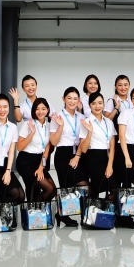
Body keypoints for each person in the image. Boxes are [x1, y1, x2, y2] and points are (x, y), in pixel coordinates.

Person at [50, 87, 88, 221]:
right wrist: (60, 126)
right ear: (63, 99)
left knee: (83, 185)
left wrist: (77, 156)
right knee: (66, 187)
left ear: (79, 100)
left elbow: (83, 139)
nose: (72, 101)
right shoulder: (57, 116)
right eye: (69, 98)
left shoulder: (82, 117)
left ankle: (84, 215)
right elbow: (54, 142)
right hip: (63, 153)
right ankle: (63, 215)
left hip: (78, 152)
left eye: (75, 98)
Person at [16, 97, 57, 201]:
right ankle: (33, 206)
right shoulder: (28, 124)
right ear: (34, 110)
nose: (40, 111)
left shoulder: (49, 126)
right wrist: (32, 133)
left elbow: (47, 149)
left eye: (43, 109)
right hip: (26, 160)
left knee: (53, 190)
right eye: (37, 109)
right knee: (38, 188)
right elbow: (19, 147)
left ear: (47, 110)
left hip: (40, 160)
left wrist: (41, 168)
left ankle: (35, 207)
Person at [79, 93, 117, 192]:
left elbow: (112, 146)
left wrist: (110, 165)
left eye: (100, 103)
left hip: (107, 157)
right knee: (96, 189)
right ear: (89, 105)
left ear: (103, 104)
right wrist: (90, 132)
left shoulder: (109, 122)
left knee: (113, 189)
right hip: (93, 158)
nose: (97, 106)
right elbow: (84, 149)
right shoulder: (86, 122)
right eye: (94, 103)